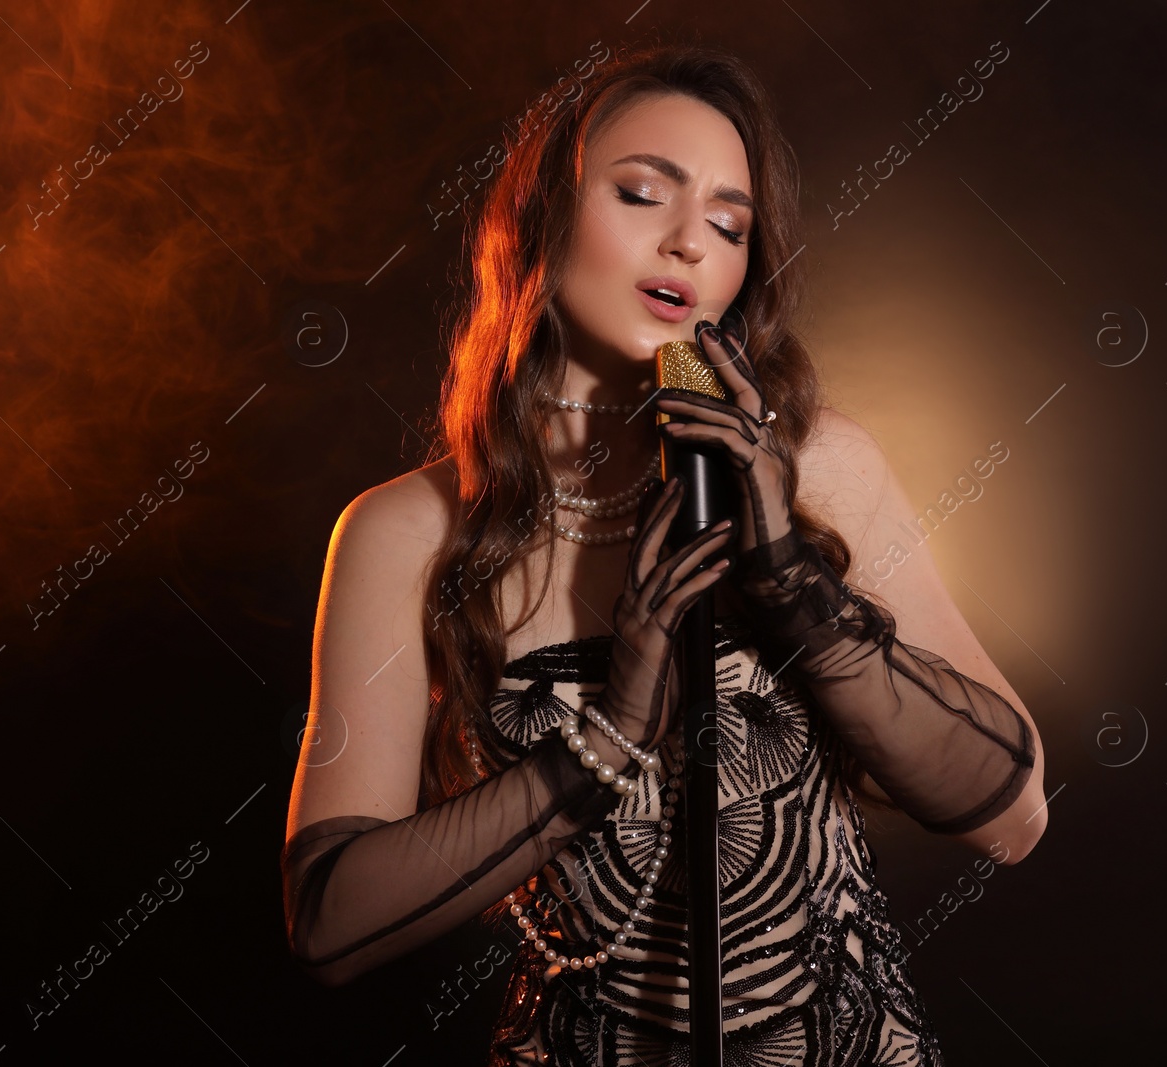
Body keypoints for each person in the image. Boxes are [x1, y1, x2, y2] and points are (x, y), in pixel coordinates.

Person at [281, 42, 1046, 1066]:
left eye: (730, 225)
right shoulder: (403, 531)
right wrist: (608, 736)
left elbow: (1011, 813)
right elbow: (330, 920)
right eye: (643, 194)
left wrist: (793, 590)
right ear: (538, 223)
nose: (691, 243)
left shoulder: (816, 468)